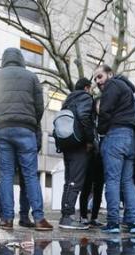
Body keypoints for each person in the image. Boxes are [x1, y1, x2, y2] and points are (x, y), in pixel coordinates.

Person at [0, 47, 52, 231]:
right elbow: (39, 107)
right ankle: (39, 219)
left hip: (3, 129)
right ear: (20, 59)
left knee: (6, 174)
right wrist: (31, 121)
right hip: (25, 129)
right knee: (30, 174)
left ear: (5, 60)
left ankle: (6, 220)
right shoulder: (31, 77)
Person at [94, 64, 135, 234]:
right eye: (95, 79)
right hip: (130, 137)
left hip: (115, 136)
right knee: (128, 182)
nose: (98, 81)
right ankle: (134, 223)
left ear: (110, 74)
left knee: (112, 180)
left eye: (100, 76)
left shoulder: (113, 85)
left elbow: (105, 112)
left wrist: (100, 131)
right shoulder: (127, 89)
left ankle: (113, 223)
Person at [58, 78, 95, 230]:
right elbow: (84, 116)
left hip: (67, 143)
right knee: (76, 181)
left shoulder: (68, 99)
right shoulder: (85, 98)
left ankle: (65, 215)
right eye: (91, 88)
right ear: (87, 88)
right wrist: (90, 140)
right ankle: (68, 217)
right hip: (79, 143)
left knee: (69, 181)